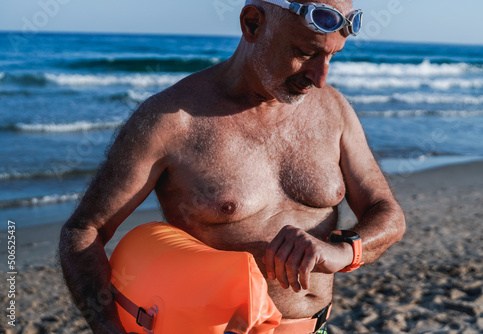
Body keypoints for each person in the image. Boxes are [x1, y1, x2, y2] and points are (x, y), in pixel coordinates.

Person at [59, 0, 406, 333]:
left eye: (331, 56)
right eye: (305, 52)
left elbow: (386, 212)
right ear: (253, 23)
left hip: (317, 329)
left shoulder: (333, 109)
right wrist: (106, 327)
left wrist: (343, 252)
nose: (319, 78)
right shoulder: (170, 120)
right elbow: (84, 230)